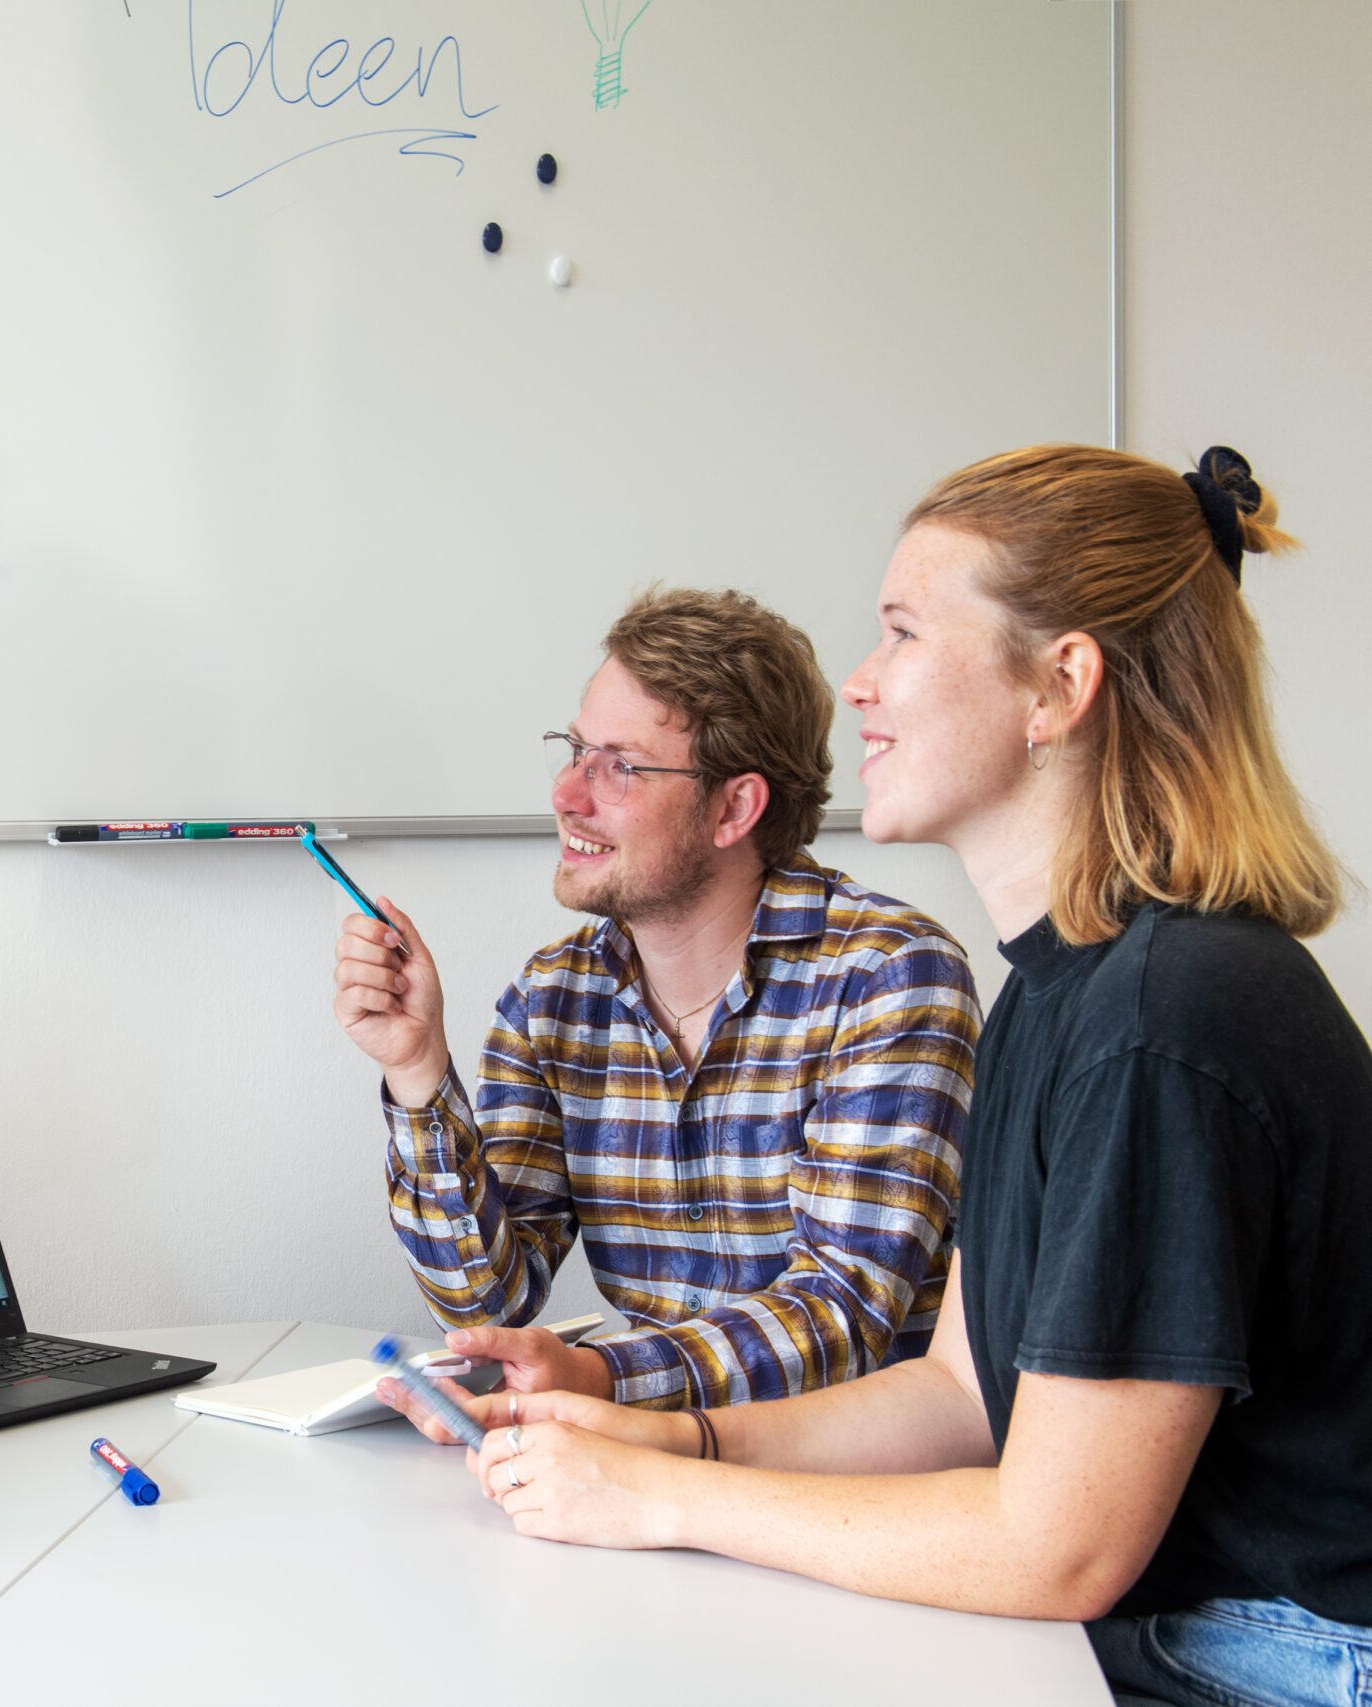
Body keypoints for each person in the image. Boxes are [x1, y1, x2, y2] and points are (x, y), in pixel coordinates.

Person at [407, 445, 1372, 1707]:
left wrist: (661, 1492)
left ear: (1058, 686)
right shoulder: (1057, 985)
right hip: (1162, 1616)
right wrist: (670, 1436)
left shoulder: (1163, 1019)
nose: (858, 684)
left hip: (1274, 1649)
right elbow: (960, 1397)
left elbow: (1058, 1546)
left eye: (903, 633)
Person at [333, 587, 979, 1411]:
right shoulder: (552, 999)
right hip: (644, 1469)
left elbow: (843, 1319)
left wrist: (601, 1377)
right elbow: (486, 1304)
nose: (568, 793)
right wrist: (419, 1072)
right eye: (574, 748)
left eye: (621, 765)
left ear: (734, 807)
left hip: (845, 1490)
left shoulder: (890, 979)